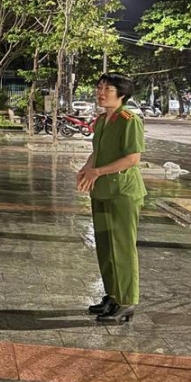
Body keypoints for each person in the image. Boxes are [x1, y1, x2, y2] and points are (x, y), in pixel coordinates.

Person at [76, 74, 145, 325]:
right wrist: (87, 168)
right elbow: (98, 152)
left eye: (108, 88)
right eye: (99, 87)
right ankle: (112, 295)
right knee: (105, 247)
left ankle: (126, 301)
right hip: (102, 191)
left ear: (122, 94)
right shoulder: (103, 120)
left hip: (123, 193)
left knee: (122, 248)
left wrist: (98, 172)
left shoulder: (130, 120)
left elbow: (132, 159)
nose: (101, 92)